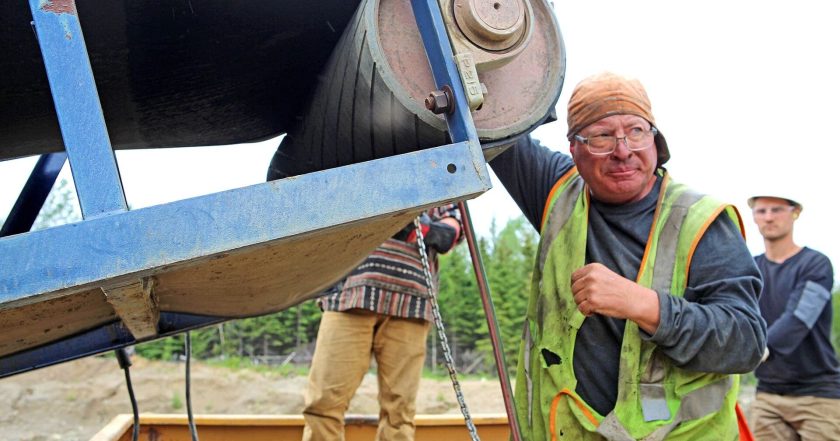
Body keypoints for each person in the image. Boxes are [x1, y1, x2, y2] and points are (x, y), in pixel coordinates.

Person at [488, 72, 767, 440]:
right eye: (603, 137)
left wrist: (643, 304)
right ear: (574, 149)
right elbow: (488, 115)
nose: (623, 151)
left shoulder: (700, 221)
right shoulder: (557, 193)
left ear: (655, 139)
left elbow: (745, 341)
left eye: (636, 131)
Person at [301, 204, 463, 441]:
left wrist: (429, 230)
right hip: (349, 292)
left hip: (411, 301)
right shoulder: (352, 167)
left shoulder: (433, 170)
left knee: (400, 414)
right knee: (323, 405)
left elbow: (453, 225)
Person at [747, 194, 840, 439]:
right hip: (767, 395)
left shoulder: (816, 264)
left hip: (818, 396)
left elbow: (800, 317)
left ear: (795, 212)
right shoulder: (749, 270)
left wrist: (759, 349)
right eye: (761, 211)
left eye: (776, 210)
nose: (768, 217)